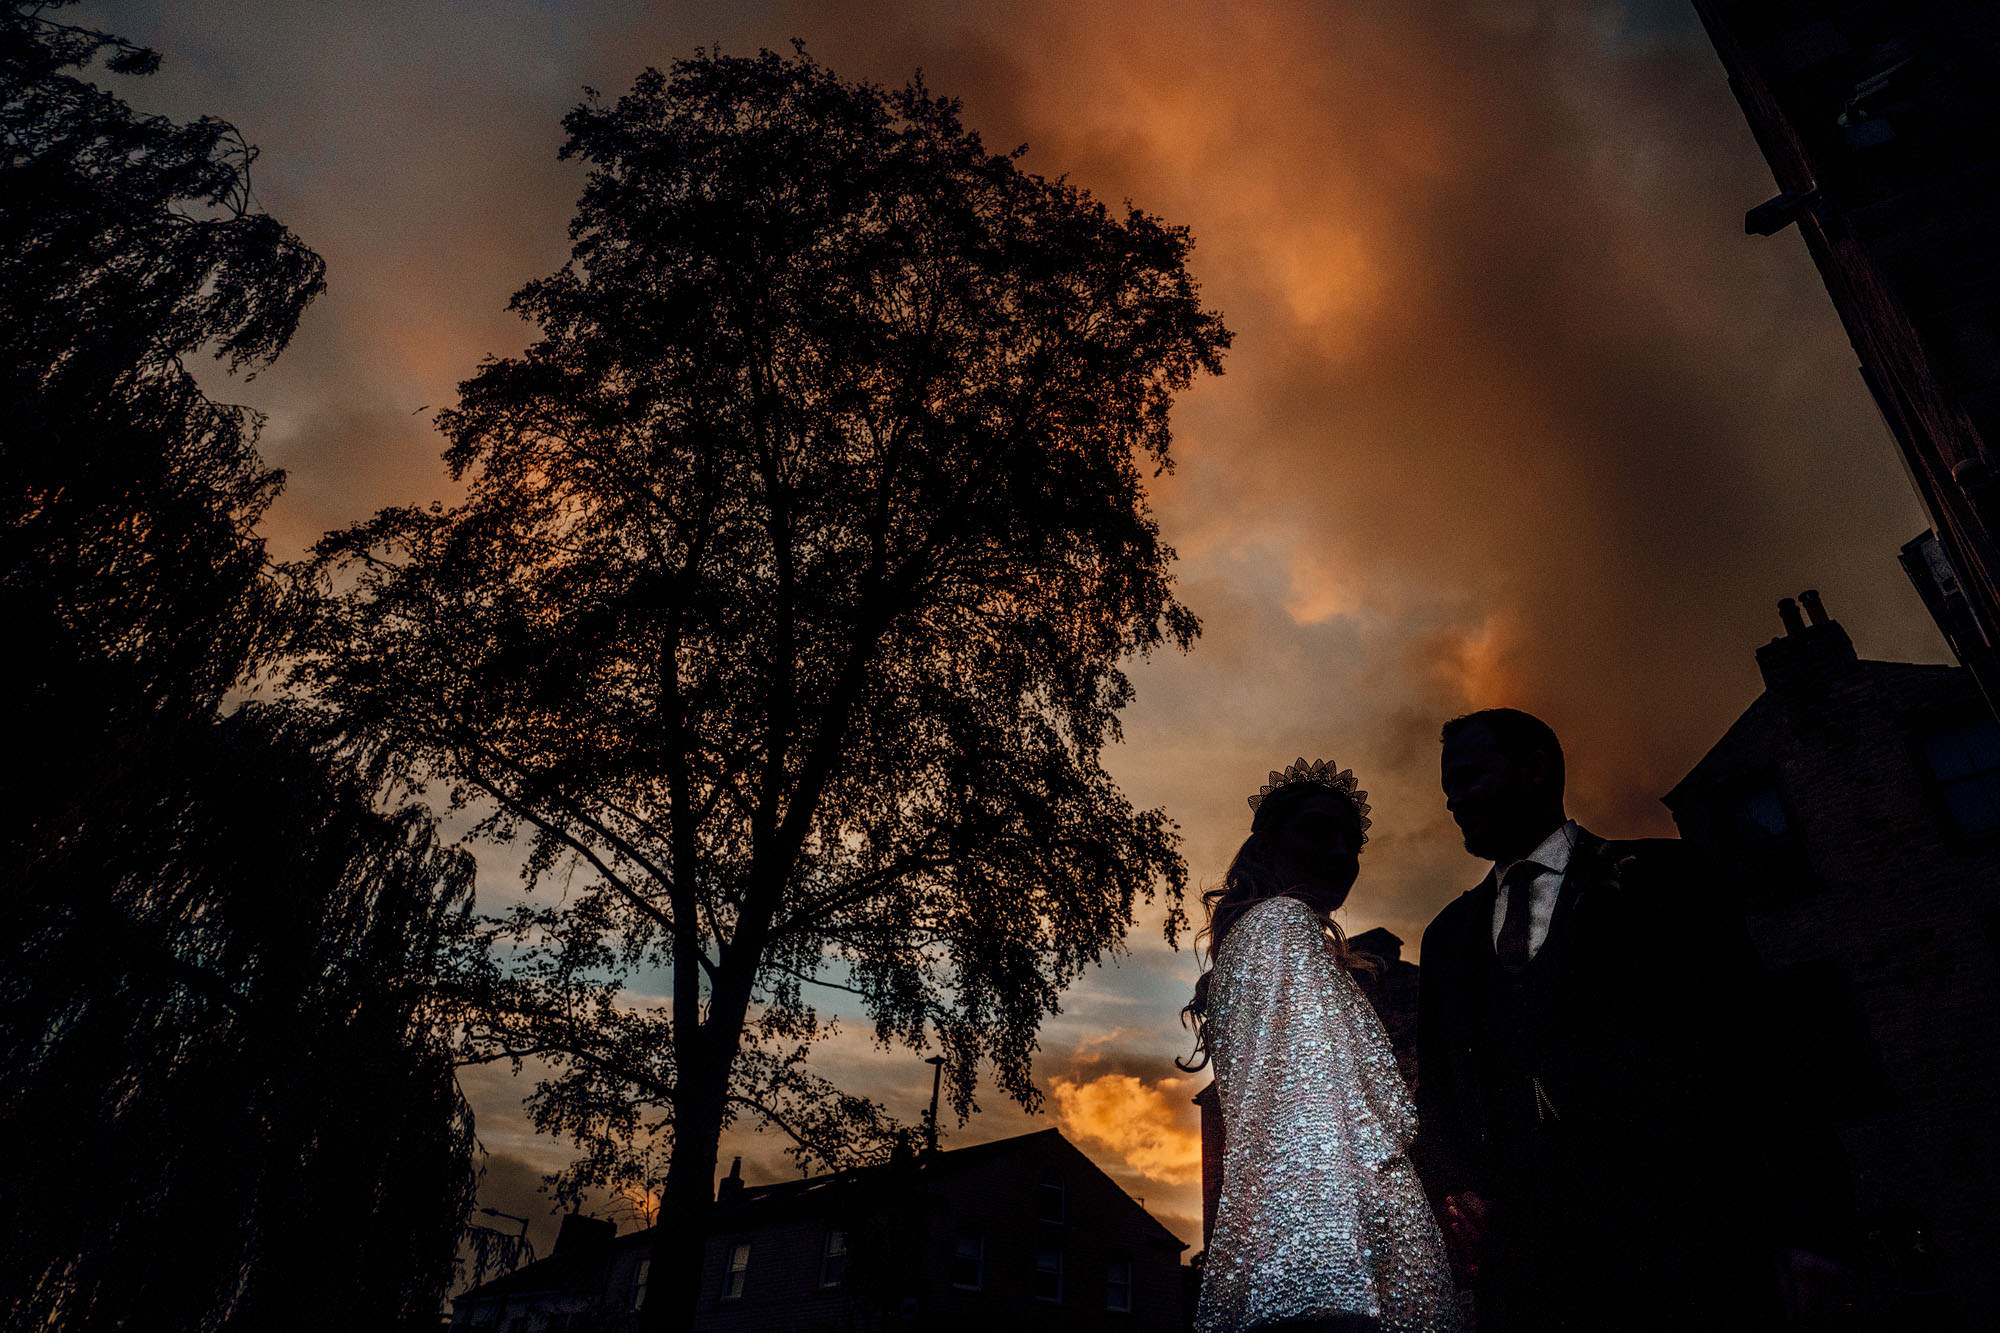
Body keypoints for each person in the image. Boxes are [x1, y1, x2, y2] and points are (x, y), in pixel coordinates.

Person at [1417, 708, 1848, 1331]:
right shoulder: (1447, 938)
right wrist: (1460, 1193)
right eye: (1447, 787)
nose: (1454, 800)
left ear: (1534, 769)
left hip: (1694, 1250)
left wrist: (1813, 1231)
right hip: (1535, 1280)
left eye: (1468, 777)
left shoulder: (1670, 880)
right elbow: (1441, 1100)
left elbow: (1763, 1055)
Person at [1184, 759, 1459, 1333]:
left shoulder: (1262, 938)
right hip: (1350, 1260)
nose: (1340, 852)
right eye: (1316, 829)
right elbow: (1298, 1118)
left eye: (1352, 841)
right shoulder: (1280, 927)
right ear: (1267, 845)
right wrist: (1323, 1291)